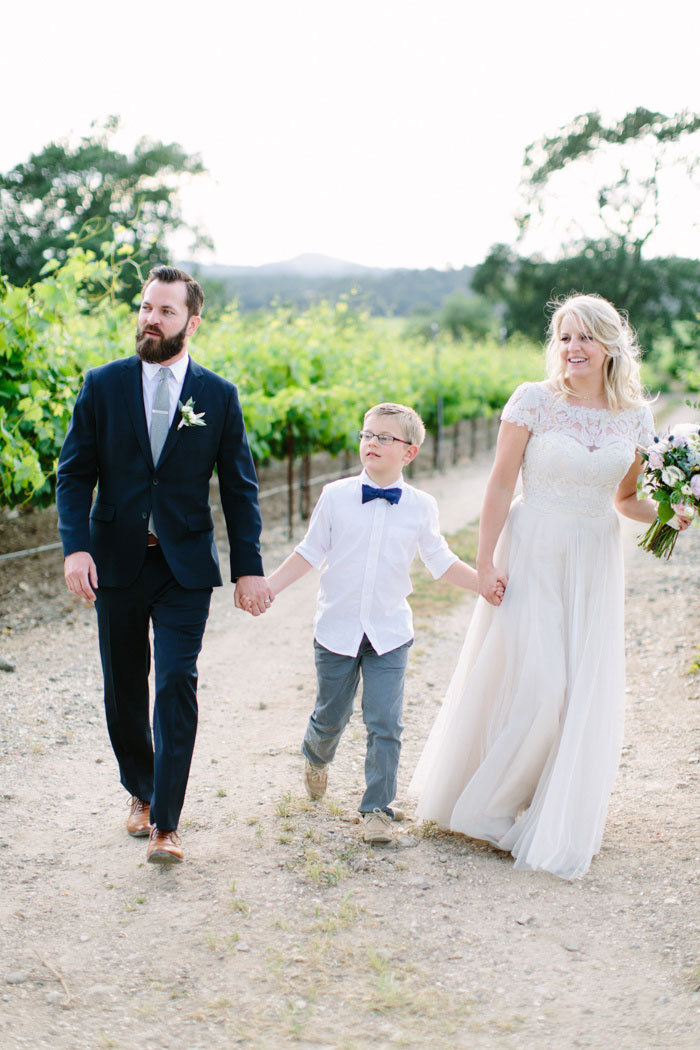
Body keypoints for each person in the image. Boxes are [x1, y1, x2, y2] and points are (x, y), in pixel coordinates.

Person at [409, 293, 691, 879]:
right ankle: (486, 808)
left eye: (585, 336)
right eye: (564, 337)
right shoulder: (532, 402)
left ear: (610, 345)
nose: (573, 348)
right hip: (532, 546)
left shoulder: (636, 416)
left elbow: (625, 500)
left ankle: (541, 804)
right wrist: (484, 563)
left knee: (574, 693)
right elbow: (497, 485)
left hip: (593, 557)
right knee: (541, 685)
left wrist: (671, 514)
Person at [56, 265, 273, 865]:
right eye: (147, 307)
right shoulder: (101, 385)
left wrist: (247, 567)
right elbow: (74, 474)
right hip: (115, 562)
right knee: (125, 688)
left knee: (177, 682)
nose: (151, 319)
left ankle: (167, 824)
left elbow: (240, 489)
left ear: (192, 322)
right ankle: (141, 791)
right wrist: (76, 546)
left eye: (166, 311)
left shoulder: (219, 396)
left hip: (183, 568)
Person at [249, 402, 500, 844]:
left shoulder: (421, 506)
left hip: (389, 632)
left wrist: (483, 584)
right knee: (331, 717)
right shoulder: (336, 495)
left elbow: (440, 562)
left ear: (410, 451)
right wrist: (270, 585)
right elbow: (309, 552)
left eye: (385, 438)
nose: (372, 443)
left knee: (386, 721)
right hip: (337, 629)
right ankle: (316, 757)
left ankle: (377, 809)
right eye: (367, 435)